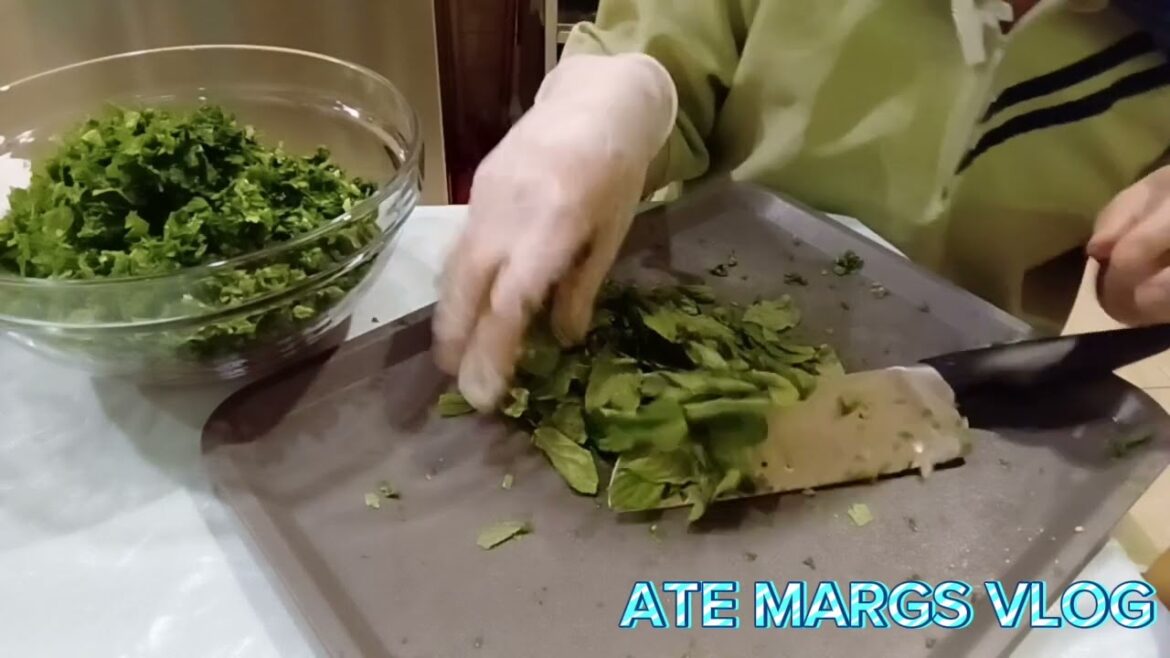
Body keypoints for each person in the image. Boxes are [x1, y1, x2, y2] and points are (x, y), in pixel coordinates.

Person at [434, 0, 1170, 411]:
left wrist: (1149, 265)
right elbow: (664, 50)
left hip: (975, 392)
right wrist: (621, 94)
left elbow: (1138, 250)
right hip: (696, 327)